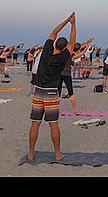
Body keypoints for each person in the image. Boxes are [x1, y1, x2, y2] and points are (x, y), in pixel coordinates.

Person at [27, 12, 76, 162]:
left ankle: (30, 153)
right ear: (63, 48)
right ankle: (57, 154)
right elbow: (73, 41)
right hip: (50, 93)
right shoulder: (62, 58)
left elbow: (54, 32)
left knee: (35, 123)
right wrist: (74, 24)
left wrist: (66, 20)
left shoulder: (46, 50)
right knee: (53, 125)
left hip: (38, 91)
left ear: (55, 45)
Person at [58, 38, 93, 115]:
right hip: (67, 74)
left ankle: (55, 108)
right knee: (71, 92)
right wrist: (88, 43)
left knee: (58, 92)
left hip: (59, 74)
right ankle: (74, 110)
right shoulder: (73, 56)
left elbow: (73, 45)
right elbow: (83, 51)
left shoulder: (64, 52)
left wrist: (85, 42)